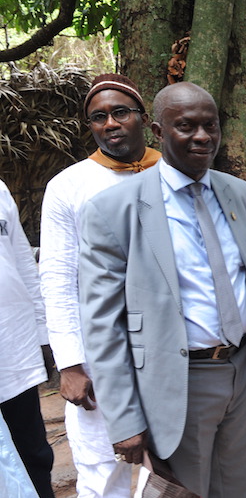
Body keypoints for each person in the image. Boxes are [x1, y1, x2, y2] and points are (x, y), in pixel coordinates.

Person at [78, 81, 246, 497]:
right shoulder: (113, 210)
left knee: (240, 489)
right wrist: (125, 420)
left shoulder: (237, 192)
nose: (202, 136)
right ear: (157, 132)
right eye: (186, 126)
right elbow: (103, 326)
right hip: (177, 382)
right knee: (183, 492)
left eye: (210, 125)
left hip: (241, 372)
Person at [39, 73, 160, 497]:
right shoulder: (69, 187)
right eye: (98, 117)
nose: (110, 123)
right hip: (98, 355)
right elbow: (56, 278)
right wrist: (69, 363)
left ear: (143, 118)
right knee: (101, 468)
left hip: (167, 350)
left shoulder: (174, 173)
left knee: (170, 470)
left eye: (120, 112)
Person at [0, 178, 55, 498]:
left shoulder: (0, 190)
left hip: (12, 348)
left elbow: (23, 262)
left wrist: (44, 335)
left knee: (33, 452)